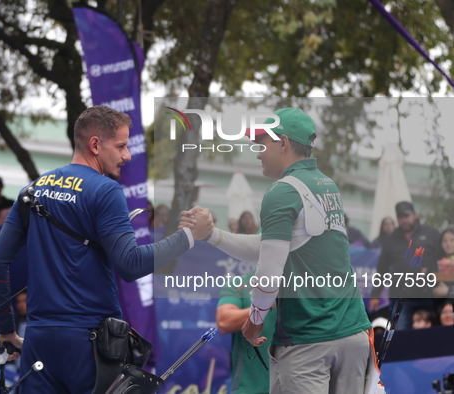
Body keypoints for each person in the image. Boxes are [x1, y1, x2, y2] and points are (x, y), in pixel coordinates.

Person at [0, 105, 213, 394]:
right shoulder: (105, 191)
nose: (127, 155)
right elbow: (130, 264)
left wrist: (5, 330)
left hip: (38, 338)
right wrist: (189, 236)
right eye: (121, 146)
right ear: (95, 144)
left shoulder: (33, 190)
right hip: (89, 344)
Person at [181, 108, 372, 394]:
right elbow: (268, 248)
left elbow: (268, 273)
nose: (258, 152)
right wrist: (213, 235)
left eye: (263, 143)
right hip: (353, 333)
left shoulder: (281, 191)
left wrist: (254, 321)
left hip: (308, 340)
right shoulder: (327, 185)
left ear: (283, 143)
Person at [369, 201, 441, 330]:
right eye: (400, 217)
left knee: (430, 337)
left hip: (428, 295)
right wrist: (375, 294)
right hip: (400, 297)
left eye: (407, 216)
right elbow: (382, 269)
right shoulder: (390, 240)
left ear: (415, 215)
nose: (404, 220)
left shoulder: (432, 233)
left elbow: (443, 258)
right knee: (400, 337)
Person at [216, 273, 275, 394]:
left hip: (297, 384)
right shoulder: (239, 283)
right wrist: (263, 305)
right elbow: (224, 322)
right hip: (250, 387)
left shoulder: (302, 283)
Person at [433, 228, 454, 298]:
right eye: (445, 241)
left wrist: (449, 290)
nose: (448, 244)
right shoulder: (435, 262)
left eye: (452, 240)